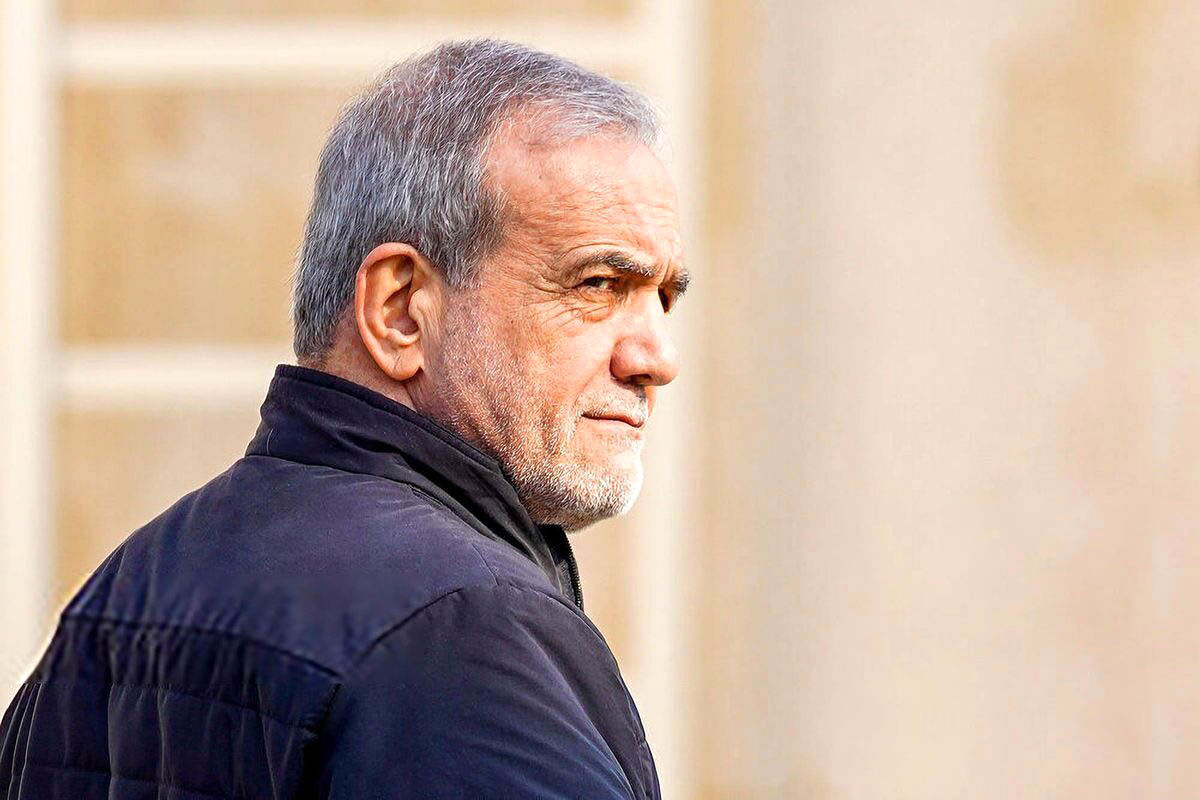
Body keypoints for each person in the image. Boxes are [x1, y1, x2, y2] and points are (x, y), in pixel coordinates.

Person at [0, 39, 688, 799]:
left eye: (664, 298)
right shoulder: (465, 626)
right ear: (400, 310)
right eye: (598, 284)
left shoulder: (123, 593)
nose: (656, 357)